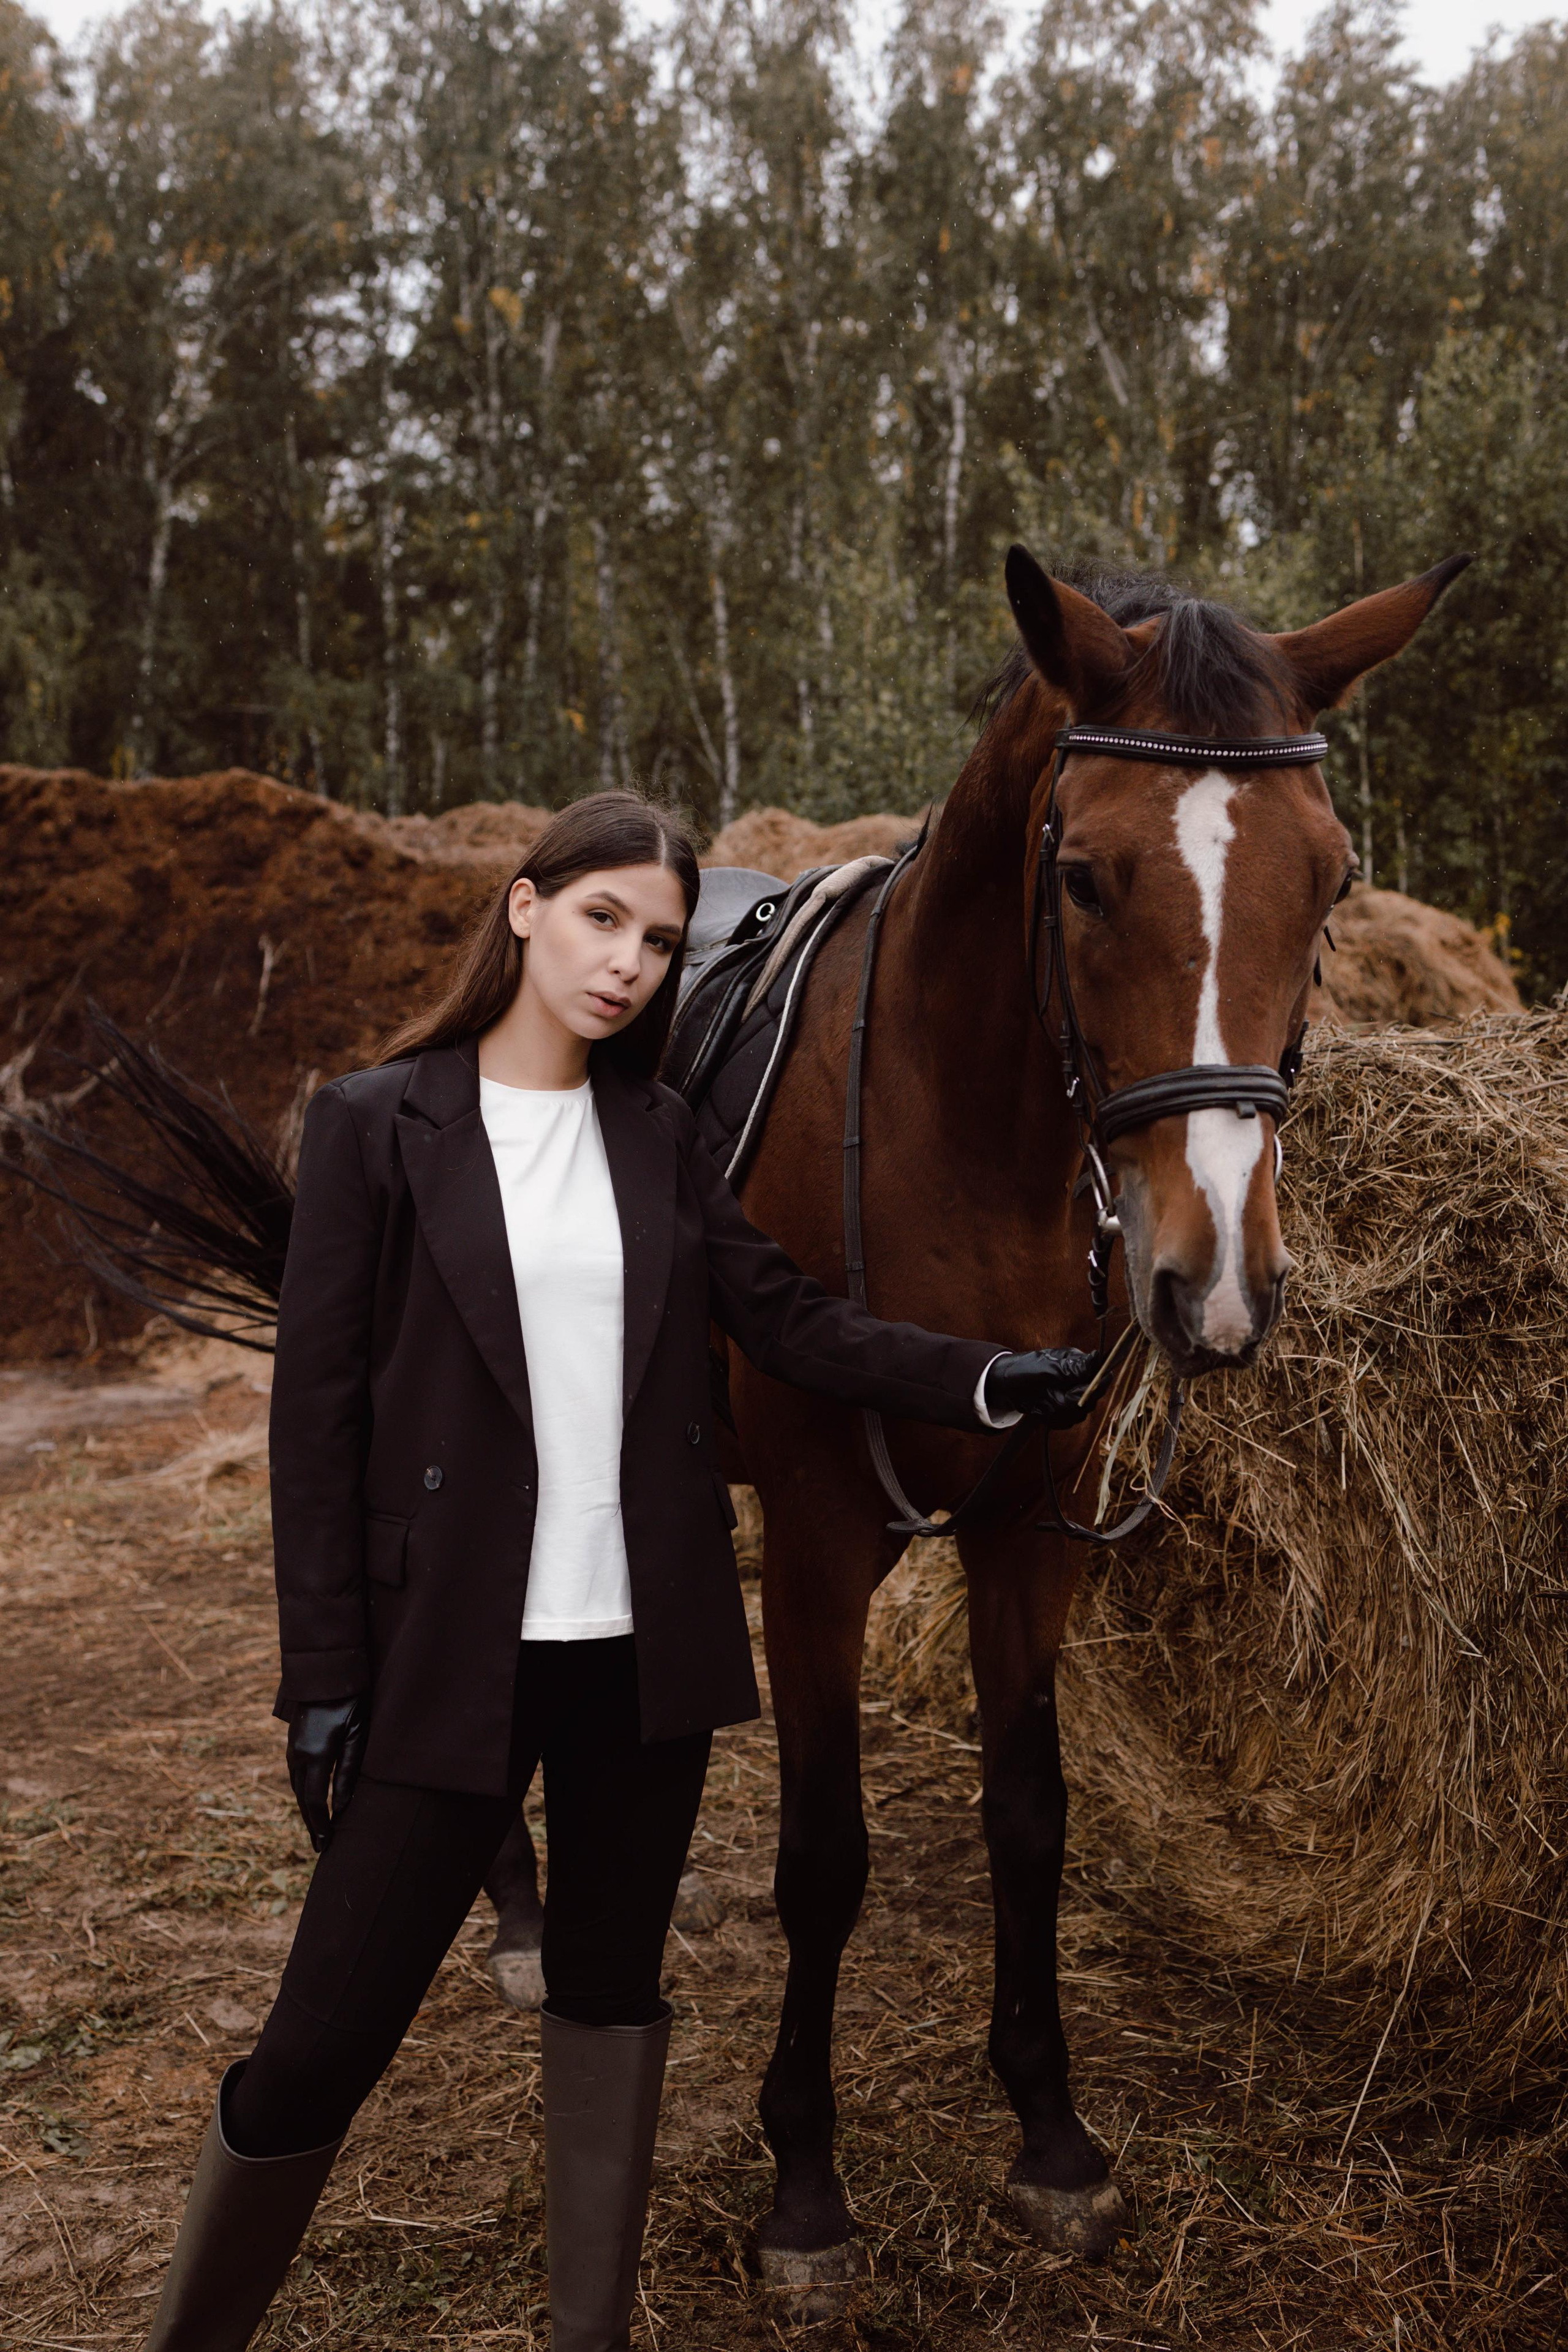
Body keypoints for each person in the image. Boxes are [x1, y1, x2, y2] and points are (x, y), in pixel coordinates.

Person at [141, 790, 1096, 2352]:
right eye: (601, 921)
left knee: (608, 2001)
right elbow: (313, 1432)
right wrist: (321, 1678)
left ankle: (582, 2332)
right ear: (522, 909)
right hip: (444, 1659)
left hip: (633, 1668)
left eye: (657, 941)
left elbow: (788, 1321)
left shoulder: (657, 1136)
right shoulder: (379, 1123)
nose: (630, 964)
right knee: (318, 2045)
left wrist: (991, 1379)